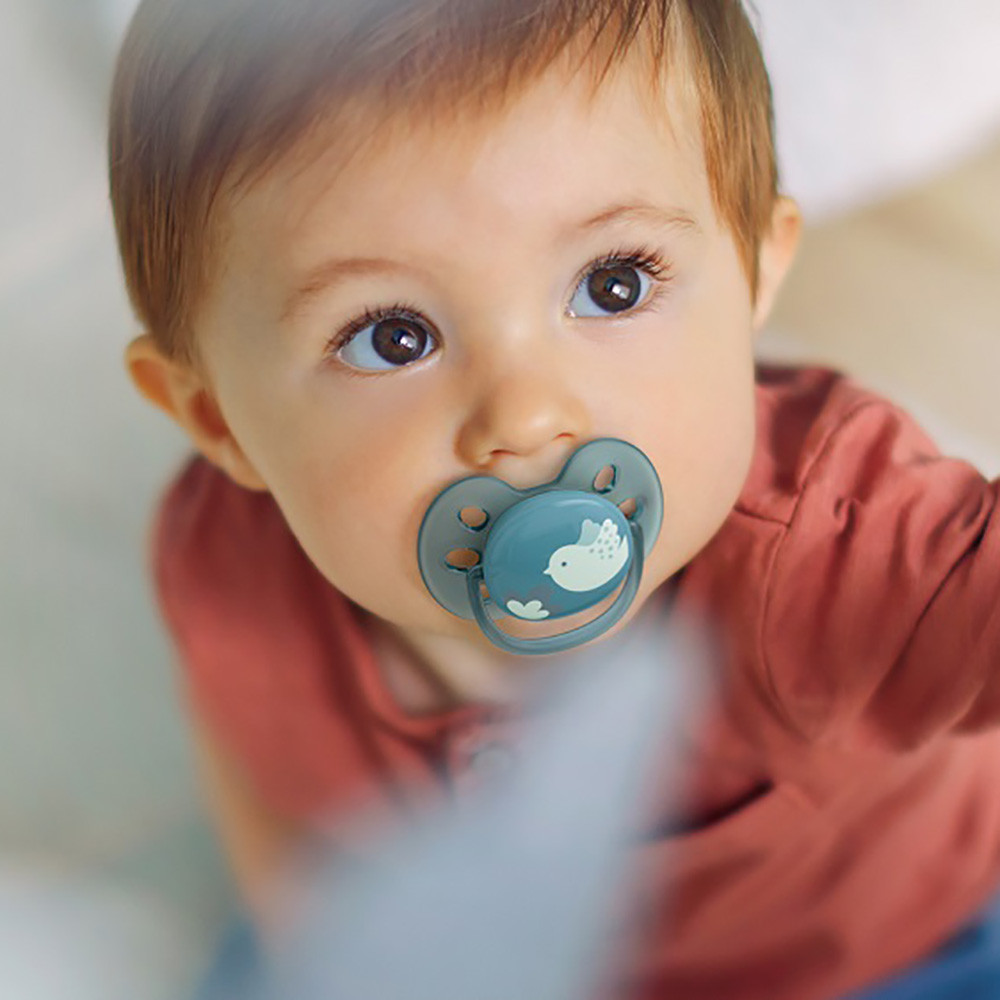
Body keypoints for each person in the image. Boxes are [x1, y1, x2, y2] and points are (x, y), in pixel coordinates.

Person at [108, 1, 1000, 997]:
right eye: (393, 337)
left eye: (613, 284)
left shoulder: (845, 540)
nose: (526, 415)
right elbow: (253, 763)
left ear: (753, 268)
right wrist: (308, 929)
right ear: (220, 419)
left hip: (895, 953)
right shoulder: (222, 564)